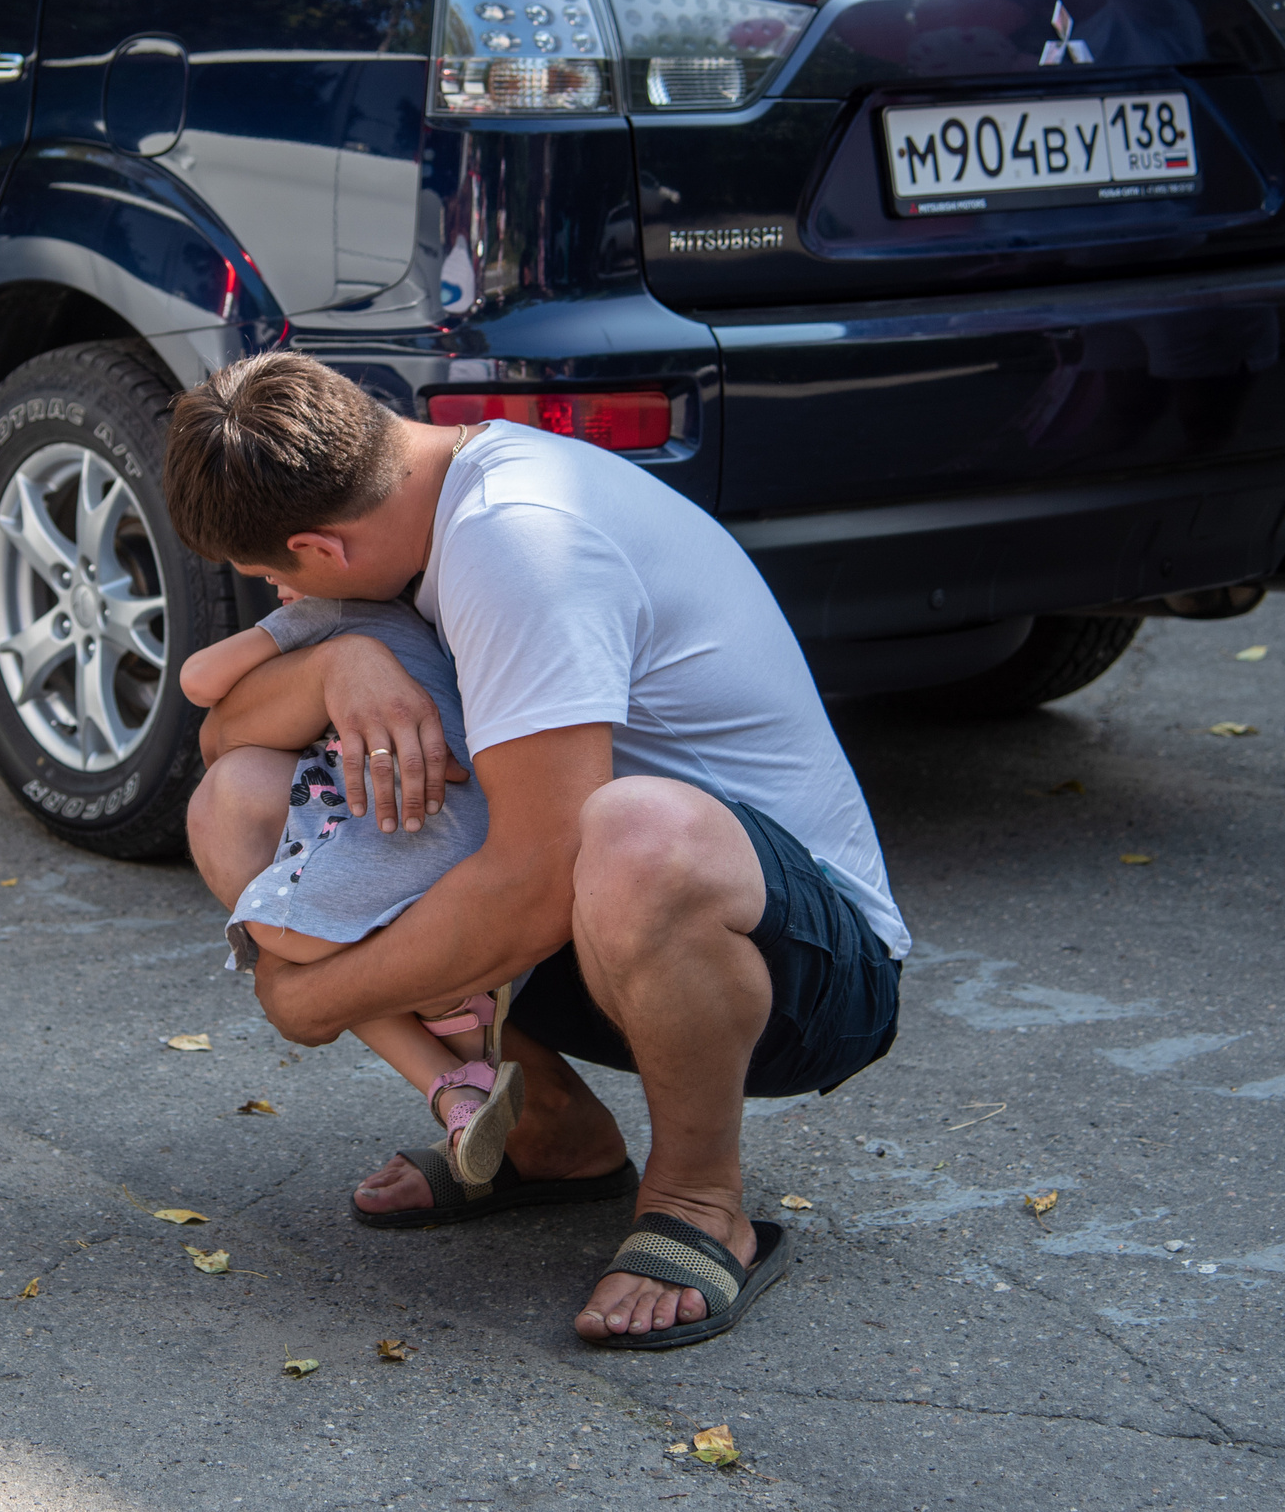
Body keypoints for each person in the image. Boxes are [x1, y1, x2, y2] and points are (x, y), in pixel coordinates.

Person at [167, 352, 907, 1350]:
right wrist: (339, 661)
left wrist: (310, 997)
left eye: (270, 576)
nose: (271, 592)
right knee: (239, 802)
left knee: (632, 830)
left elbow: (533, 877)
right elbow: (222, 741)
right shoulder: (415, 500)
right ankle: (545, 1127)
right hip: (594, 934)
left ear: (321, 548)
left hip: (794, 960)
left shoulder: (515, 541)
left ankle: (698, 1197)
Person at [180, 588, 524, 1184]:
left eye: (274, 571)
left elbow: (198, 680)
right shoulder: (420, 620)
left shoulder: (330, 608)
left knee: (271, 933)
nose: (276, 587)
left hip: (419, 842)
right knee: (288, 919)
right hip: (457, 833)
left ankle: (447, 1004)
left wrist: (284, 630)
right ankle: (457, 1090)